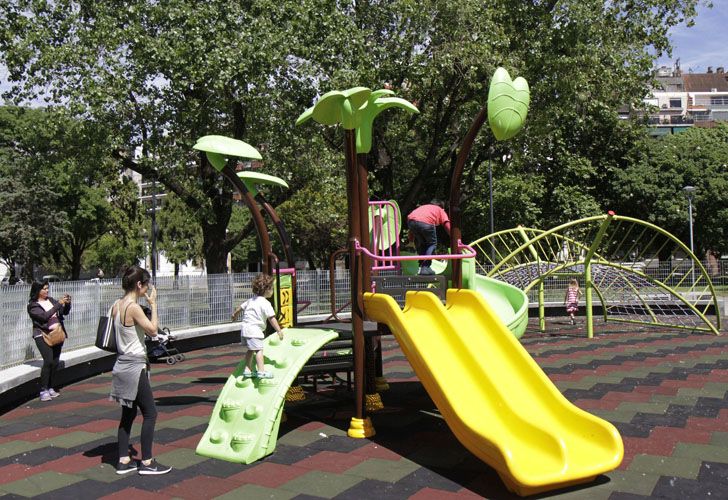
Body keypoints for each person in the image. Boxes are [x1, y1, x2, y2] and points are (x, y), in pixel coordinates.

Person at [109, 265, 171, 476]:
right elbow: (153, 330)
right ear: (138, 284)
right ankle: (147, 462)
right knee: (150, 413)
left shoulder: (116, 305)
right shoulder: (133, 307)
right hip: (135, 365)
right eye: (146, 284)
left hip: (121, 364)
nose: (147, 288)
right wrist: (153, 305)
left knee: (128, 413)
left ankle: (123, 460)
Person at [231, 273, 284, 379]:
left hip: (245, 330)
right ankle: (261, 371)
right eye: (272, 289)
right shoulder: (265, 303)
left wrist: (234, 315)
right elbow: (272, 318)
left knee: (251, 349)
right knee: (259, 350)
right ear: (267, 289)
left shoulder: (251, 300)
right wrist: (278, 330)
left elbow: (239, 308)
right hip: (254, 331)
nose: (272, 291)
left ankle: (247, 369)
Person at [27, 281, 71, 402]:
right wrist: (58, 304)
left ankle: (51, 387)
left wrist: (67, 304)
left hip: (57, 333)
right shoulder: (33, 305)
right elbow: (44, 317)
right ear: (37, 291)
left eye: (47, 288)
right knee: (48, 361)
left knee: (55, 362)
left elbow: (63, 312)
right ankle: (43, 389)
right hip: (42, 335)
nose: (47, 291)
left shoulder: (50, 300)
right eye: (44, 289)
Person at [406, 199, 451, 275]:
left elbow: (412, 228)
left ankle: (421, 266)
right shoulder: (440, 209)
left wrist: (411, 241)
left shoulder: (423, 207)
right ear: (442, 207)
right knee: (432, 244)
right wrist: (454, 237)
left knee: (423, 244)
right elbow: (446, 223)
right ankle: (425, 267)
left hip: (411, 221)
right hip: (426, 223)